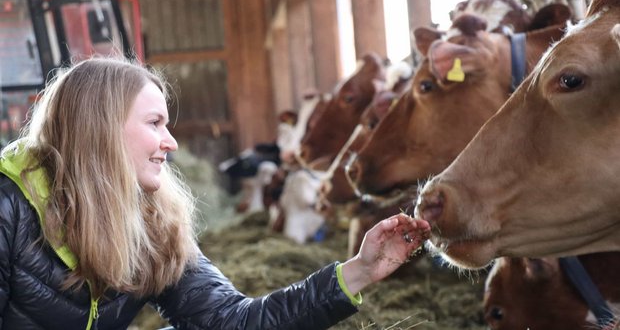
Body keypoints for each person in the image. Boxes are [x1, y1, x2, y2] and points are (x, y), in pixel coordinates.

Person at [0, 57, 430, 330]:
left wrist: (358, 271)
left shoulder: (152, 219)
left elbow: (233, 323)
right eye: (155, 124)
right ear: (102, 130)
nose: (171, 143)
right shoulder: (9, 210)